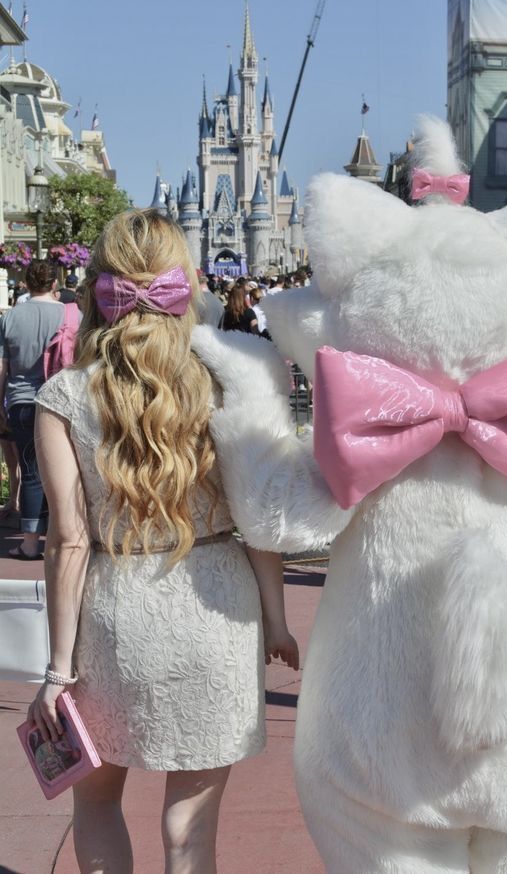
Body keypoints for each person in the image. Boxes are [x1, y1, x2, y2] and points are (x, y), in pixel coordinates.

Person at [27, 209, 299, 874]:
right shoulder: (227, 382)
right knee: (189, 828)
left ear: (98, 288)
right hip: (217, 606)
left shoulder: (63, 395)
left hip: (112, 616)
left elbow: (67, 540)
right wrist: (276, 619)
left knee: (94, 803)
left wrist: (58, 671)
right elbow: (257, 516)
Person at [0, 260, 66, 558]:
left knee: (30, 470)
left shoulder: (11, 316)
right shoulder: (67, 314)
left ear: (26, 282)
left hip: (21, 401)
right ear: (55, 284)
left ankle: (28, 541)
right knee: (64, 472)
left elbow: (2, 366)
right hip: (59, 401)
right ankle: (60, 536)